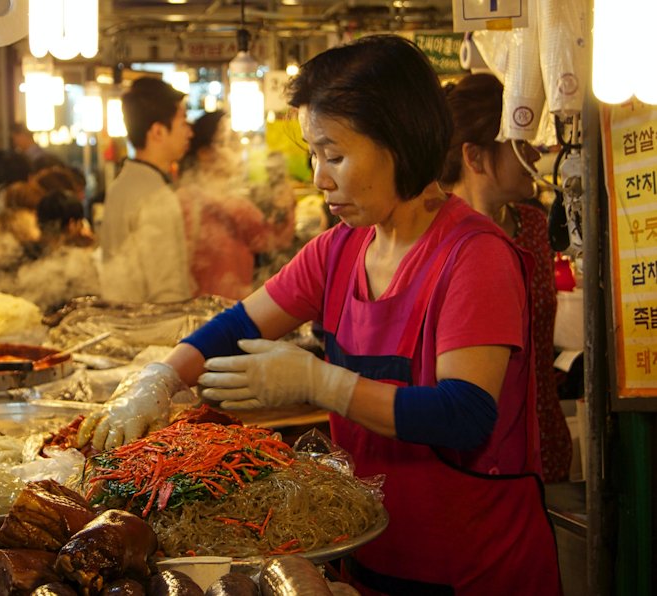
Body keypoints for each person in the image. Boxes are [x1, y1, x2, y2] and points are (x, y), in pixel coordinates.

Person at [78, 36, 561, 594]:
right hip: (370, 553)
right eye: (313, 154)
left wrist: (320, 382)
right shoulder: (340, 249)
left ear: (399, 144)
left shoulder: (474, 256)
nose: (319, 178)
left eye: (334, 155)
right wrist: (159, 379)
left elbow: (465, 413)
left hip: (476, 568)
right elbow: (239, 325)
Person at [441, 72, 573, 484]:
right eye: (521, 145)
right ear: (476, 157)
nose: (535, 157)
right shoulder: (439, 237)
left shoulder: (533, 224)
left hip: (544, 433)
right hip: (473, 447)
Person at [177, 111, 294, 300]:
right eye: (230, 141)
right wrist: (284, 207)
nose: (240, 149)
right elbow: (274, 239)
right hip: (222, 311)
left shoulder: (186, 196)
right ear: (205, 153)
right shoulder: (227, 205)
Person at [99, 77, 193, 303]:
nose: (190, 133)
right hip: (151, 330)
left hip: (119, 323)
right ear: (158, 132)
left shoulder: (119, 186)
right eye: (183, 123)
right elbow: (168, 292)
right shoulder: (157, 198)